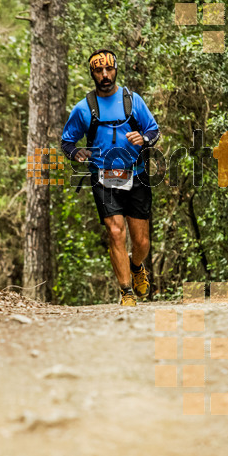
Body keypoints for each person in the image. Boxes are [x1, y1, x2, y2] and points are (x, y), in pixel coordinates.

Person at [61, 49, 160, 306]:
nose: (105, 75)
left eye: (108, 69)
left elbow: (153, 129)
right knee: (115, 232)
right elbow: (67, 142)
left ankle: (136, 266)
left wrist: (144, 138)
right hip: (103, 177)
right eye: (98, 70)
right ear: (92, 73)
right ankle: (126, 292)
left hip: (136, 175)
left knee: (141, 241)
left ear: (115, 69)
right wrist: (76, 152)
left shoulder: (132, 100)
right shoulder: (83, 109)